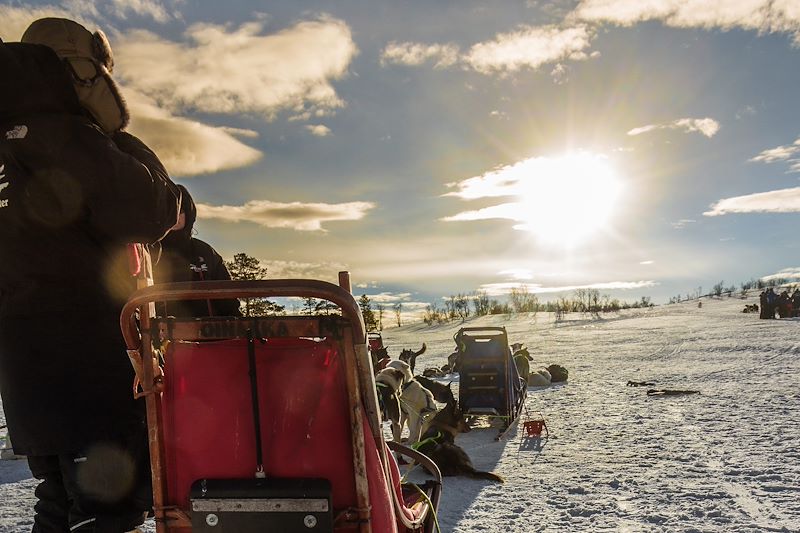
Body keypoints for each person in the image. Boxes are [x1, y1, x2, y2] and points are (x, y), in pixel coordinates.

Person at [0, 18, 180, 532]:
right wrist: (118, 137)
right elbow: (152, 209)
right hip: (86, 358)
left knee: (59, 503)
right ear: (81, 73)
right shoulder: (62, 135)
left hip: (26, 365)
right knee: (108, 511)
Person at [154, 184, 241, 317]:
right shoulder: (149, 252)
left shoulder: (205, 252)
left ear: (189, 213)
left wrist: (239, 327)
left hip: (209, 333)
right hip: (162, 333)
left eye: (180, 211)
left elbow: (228, 299)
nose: (175, 216)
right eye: (169, 210)